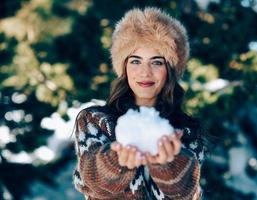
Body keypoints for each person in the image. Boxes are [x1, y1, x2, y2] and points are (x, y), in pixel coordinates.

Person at [73, 7, 206, 200]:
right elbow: (92, 179)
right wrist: (115, 161)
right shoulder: (95, 120)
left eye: (157, 62)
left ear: (170, 70)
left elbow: (186, 192)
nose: (145, 72)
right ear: (124, 67)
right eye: (135, 61)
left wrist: (168, 165)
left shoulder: (187, 131)